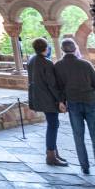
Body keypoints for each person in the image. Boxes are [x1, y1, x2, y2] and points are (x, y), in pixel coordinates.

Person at [55, 38, 95, 175]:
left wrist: (61, 102)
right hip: (90, 102)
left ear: (62, 50)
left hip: (73, 104)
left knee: (78, 137)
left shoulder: (58, 66)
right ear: (75, 49)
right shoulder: (85, 64)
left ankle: (84, 167)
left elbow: (59, 88)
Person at [27, 37, 69, 167]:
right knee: (53, 125)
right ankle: (51, 156)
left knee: (52, 124)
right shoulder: (47, 63)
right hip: (49, 99)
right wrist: (60, 100)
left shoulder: (32, 60)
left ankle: (54, 152)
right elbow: (52, 84)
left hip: (37, 97)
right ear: (46, 48)